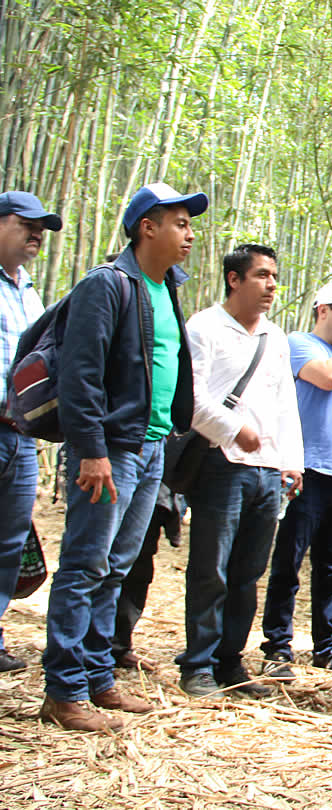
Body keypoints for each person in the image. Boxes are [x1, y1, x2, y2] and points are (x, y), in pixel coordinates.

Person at [42, 182, 203, 731]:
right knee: (85, 564)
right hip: (111, 448)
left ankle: (96, 676)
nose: (189, 233)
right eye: (179, 222)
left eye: (189, 223)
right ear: (146, 227)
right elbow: (81, 375)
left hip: (153, 446)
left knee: (115, 568)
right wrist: (90, 451)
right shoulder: (107, 285)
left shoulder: (165, 288)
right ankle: (63, 691)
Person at [176, 244, 304, 699]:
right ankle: (198, 665)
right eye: (261, 276)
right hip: (220, 463)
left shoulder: (276, 337)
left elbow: (285, 402)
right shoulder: (204, 327)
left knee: (249, 572)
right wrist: (234, 429)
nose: (271, 285)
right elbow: (189, 396)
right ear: (234, 279)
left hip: (267, 471)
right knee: (211, 568)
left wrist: (292, 459)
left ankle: (231, 661)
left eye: (274, 276)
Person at [260, 282, 332, 683]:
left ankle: (327, 647)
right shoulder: (298, 343)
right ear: (323, 309)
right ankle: (276, 647)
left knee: (331, 567)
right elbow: (327, 378)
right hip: (302, 470)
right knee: (288, 563)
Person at [0, 191, 60, 674]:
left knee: (9, 540)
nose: (37, 233)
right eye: (28, 224)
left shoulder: (32, 292)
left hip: (19, 436)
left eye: (44, 226)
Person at [111, 482, 186, 671]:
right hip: (113, 472)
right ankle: (85, 653)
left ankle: (118, 647)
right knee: (98, 564)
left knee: (139, 563)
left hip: (155, 482)